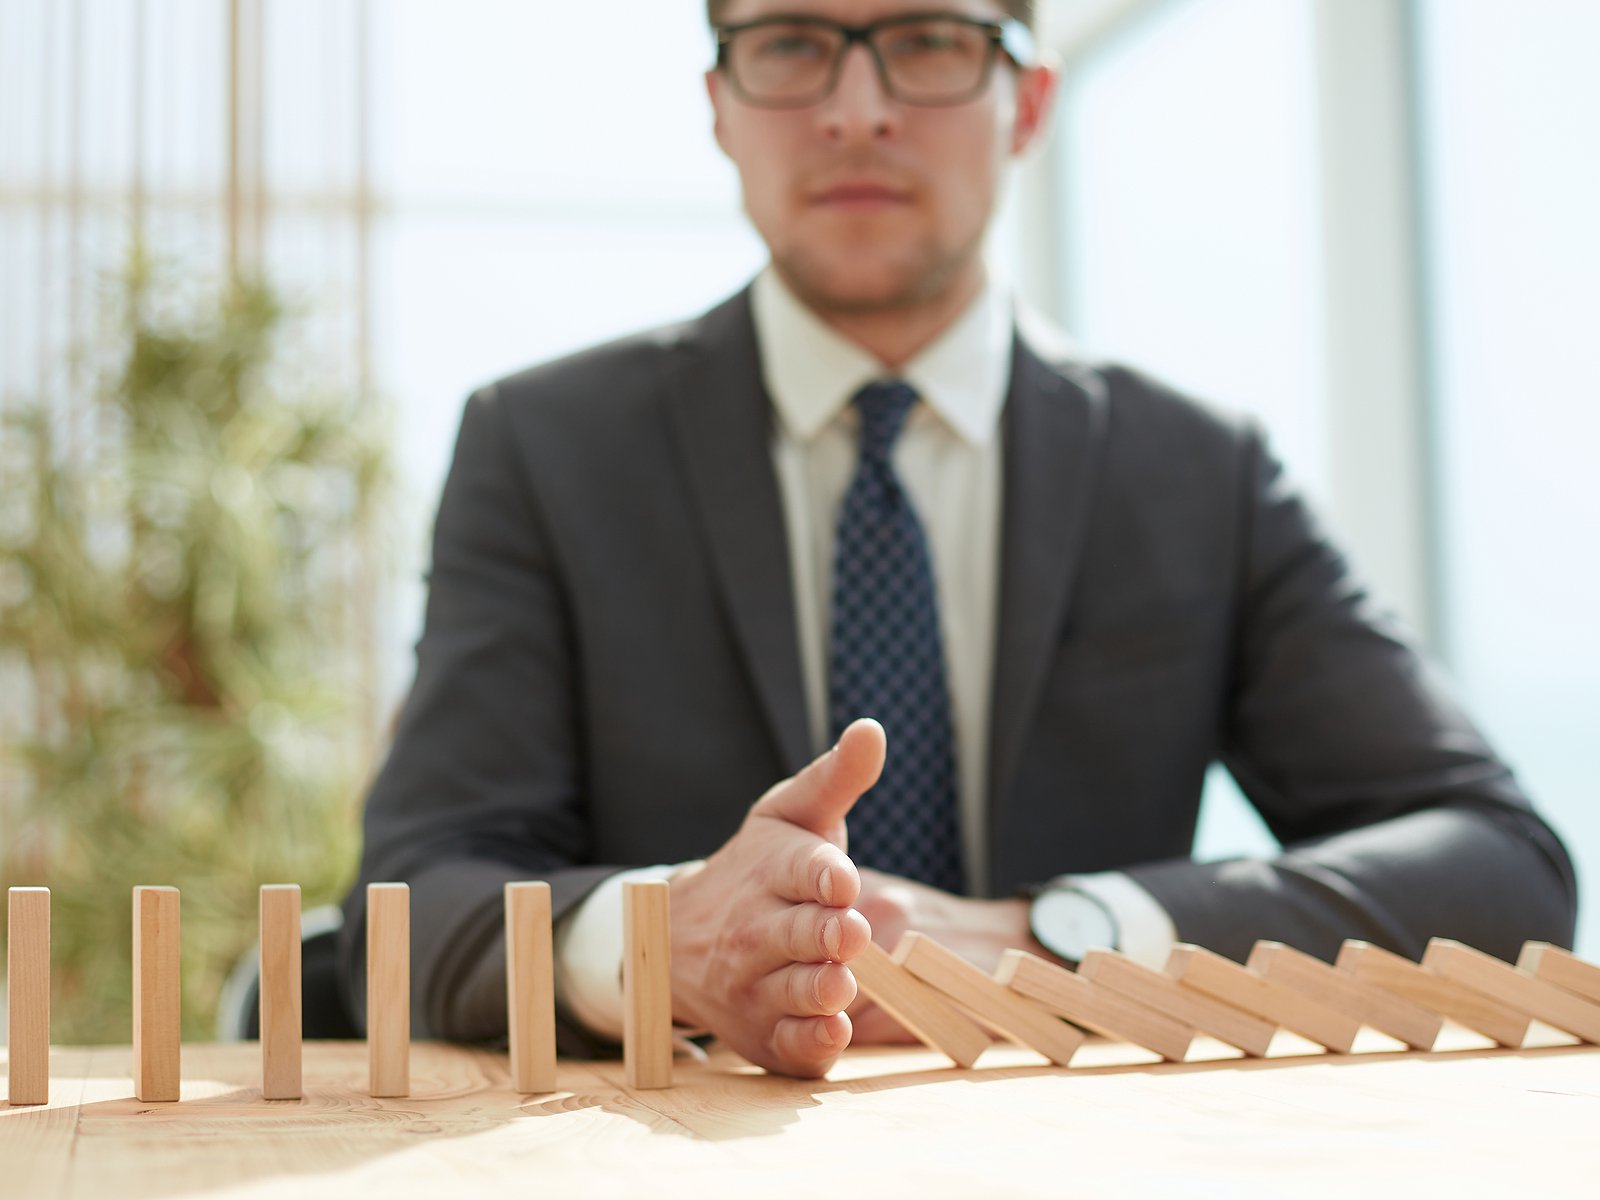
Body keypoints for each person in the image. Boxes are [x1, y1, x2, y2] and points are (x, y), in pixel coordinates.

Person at [338, 0, 1577, 1079]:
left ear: (1027, 102)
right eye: (791, 46)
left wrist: (1062, 936)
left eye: (927, 41)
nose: (857, 109)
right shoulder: (546, 449)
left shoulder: (1198, 471)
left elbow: (1499, 864)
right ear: (718, 104)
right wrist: (671, 947)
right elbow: (416, 897)